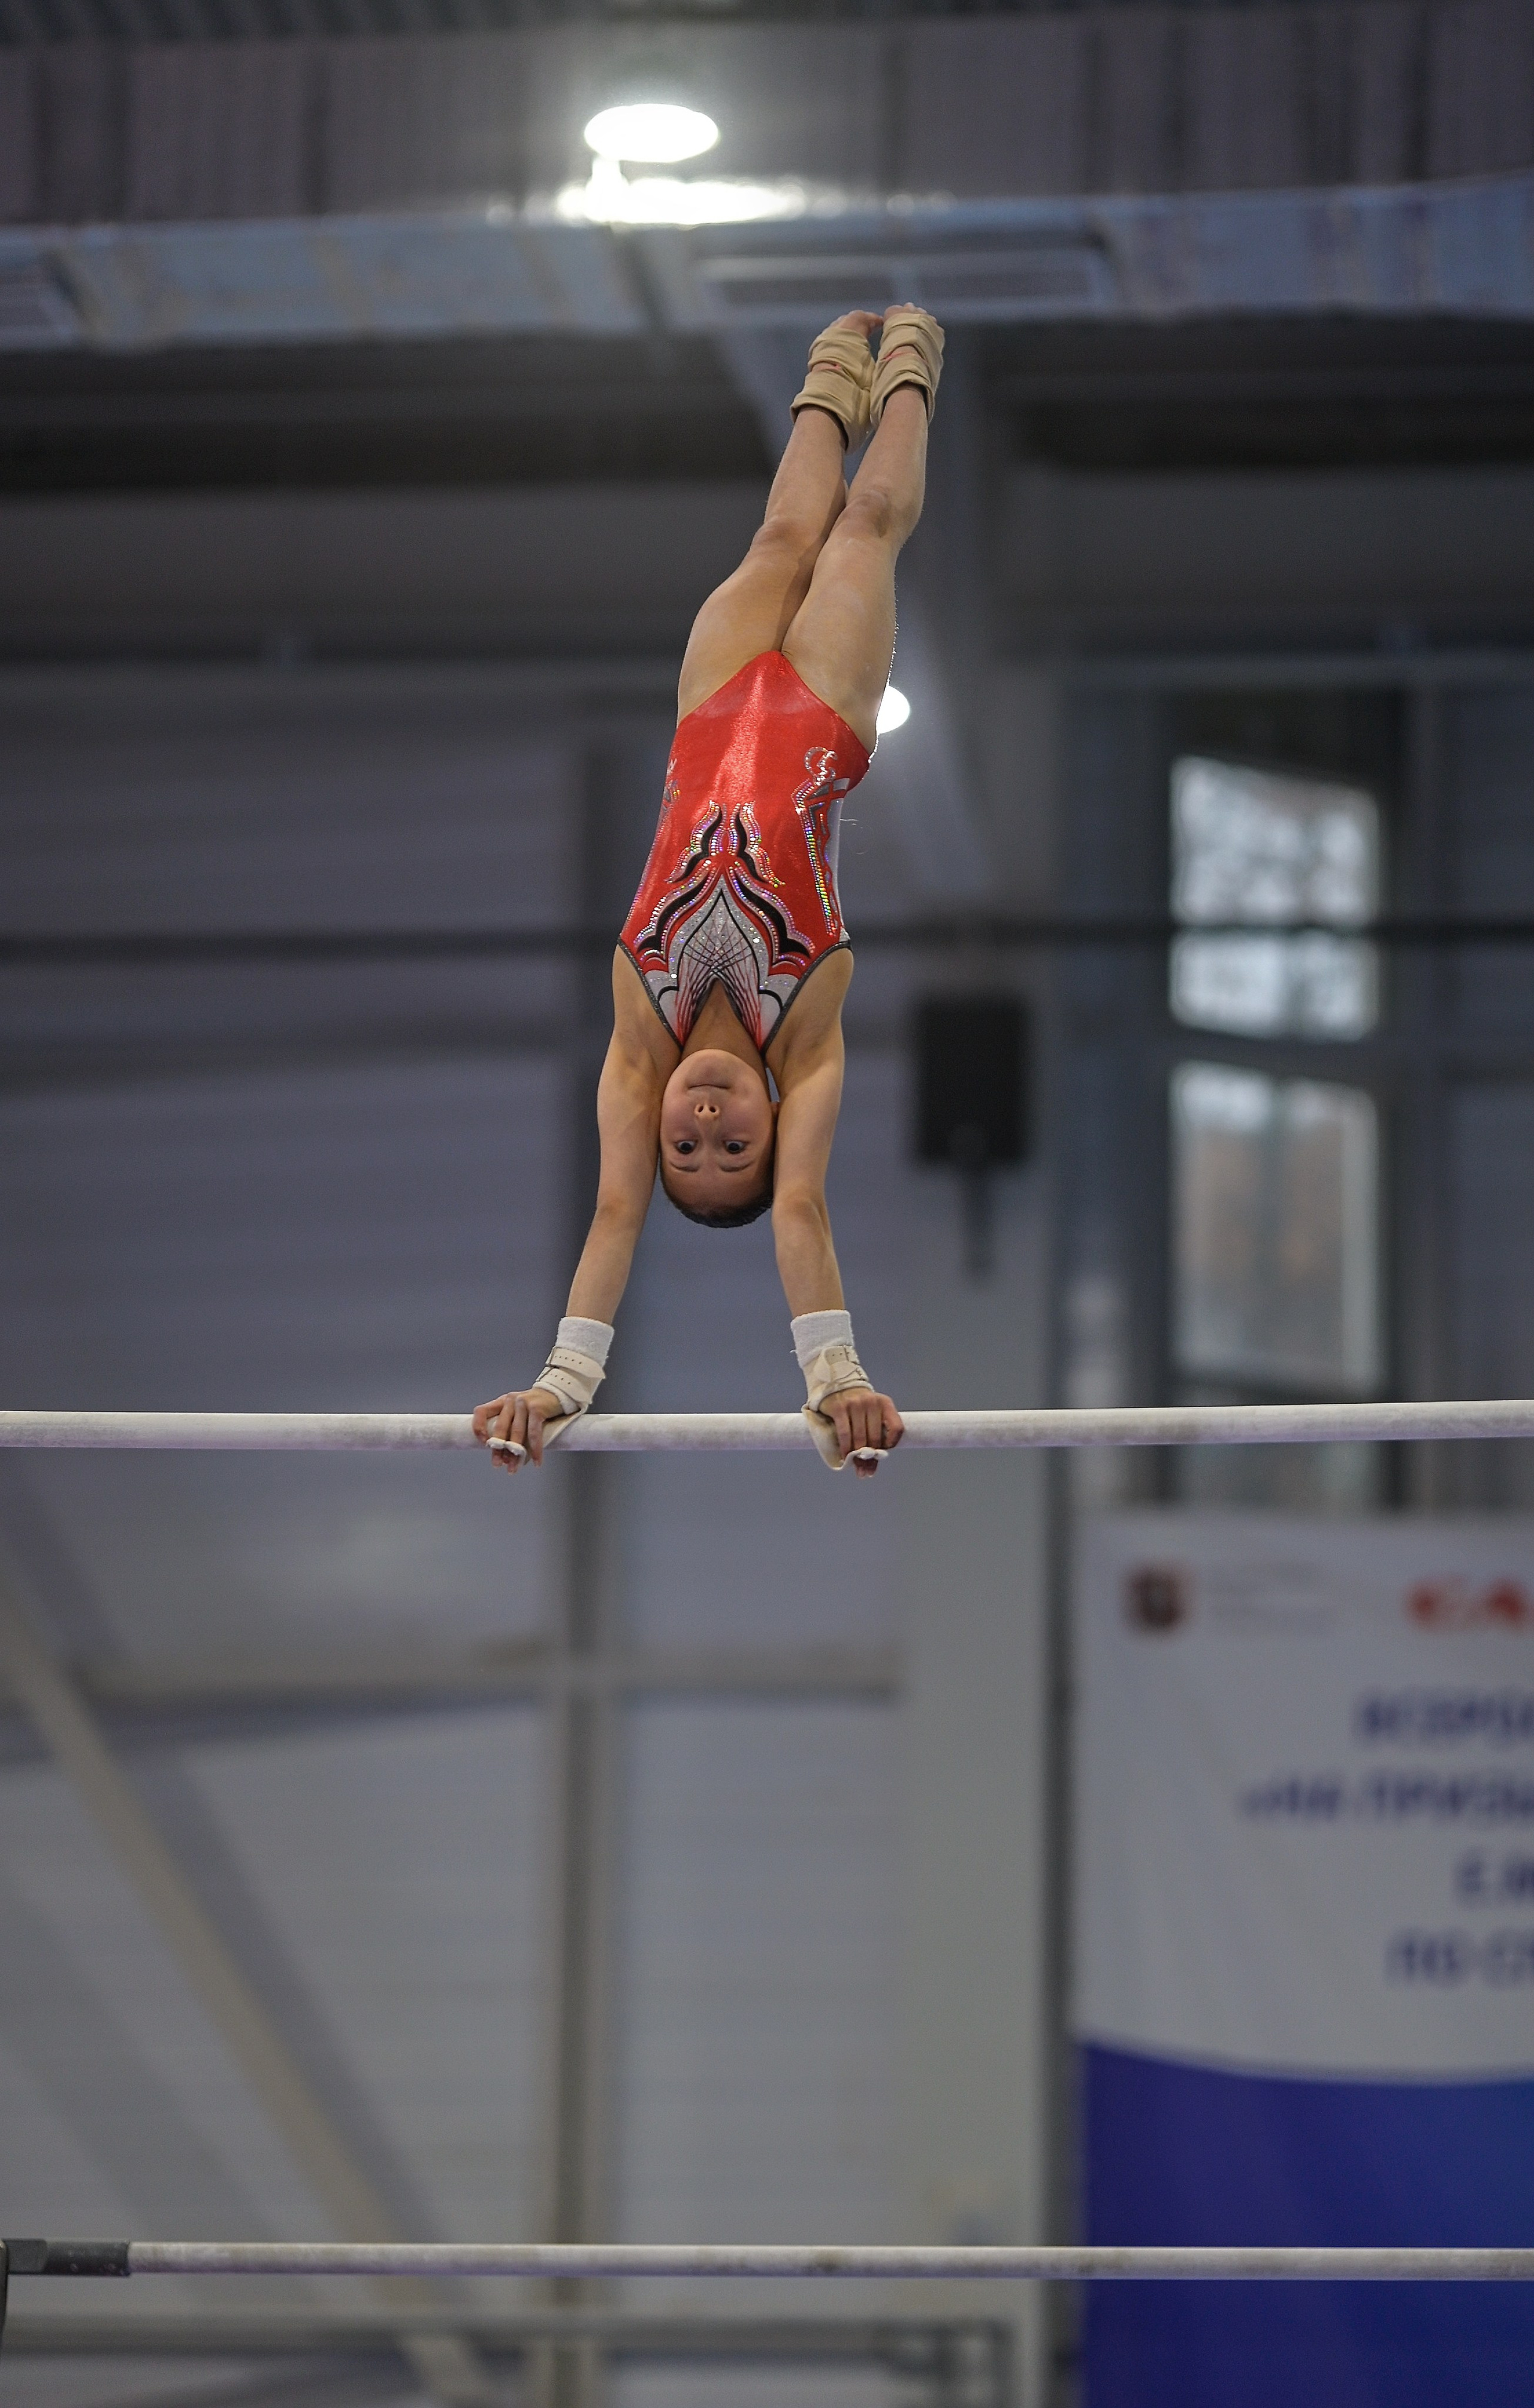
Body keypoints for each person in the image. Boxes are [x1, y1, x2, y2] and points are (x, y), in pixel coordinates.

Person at [474, 305, 944, 1479]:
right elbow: (800, 1215)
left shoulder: (640, 1042)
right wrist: (835, 1380)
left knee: (786, 533)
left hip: (711, 710)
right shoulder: (811, 1043)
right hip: (821, 722)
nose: (701, 1124)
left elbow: (611, 1219)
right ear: (774, 1128)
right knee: (863, 531)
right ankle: (911, 378)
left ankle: (824, 379)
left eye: (686, 1147)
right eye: (730, 1146)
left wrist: (557, 1384)